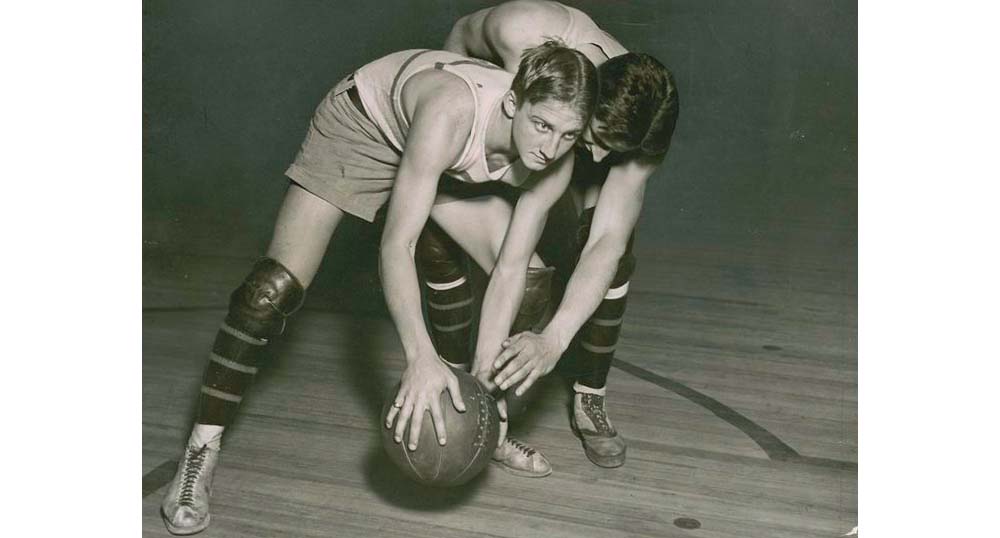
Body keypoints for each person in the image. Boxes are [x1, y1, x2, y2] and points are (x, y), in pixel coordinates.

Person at [159, 42, 597, 535]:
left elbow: (511, 270)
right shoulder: (451, 114)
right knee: (270, 290)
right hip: (366, 126)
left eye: (568, 134)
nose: (551, 147)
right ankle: (201, 450)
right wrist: (419, 357)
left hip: (441, 159)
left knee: (533, 281)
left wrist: (481, 390)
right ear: (514, 104)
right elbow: (397, 245)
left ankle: (483, 420)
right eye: (542, 126)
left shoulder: (555, 158)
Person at [416, 0, 680, 473]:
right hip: (504, 121)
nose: (596, 159)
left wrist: (554, 340)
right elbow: (455, 45)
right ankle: (464, 386)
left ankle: (589, 396)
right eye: (596, 138)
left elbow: (606, 243)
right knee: (442, 237)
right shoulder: (525, 30)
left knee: (611, 260)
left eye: (613, 152)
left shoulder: (643, 126)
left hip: (559, 128)